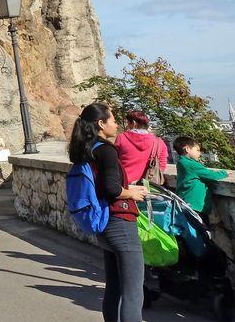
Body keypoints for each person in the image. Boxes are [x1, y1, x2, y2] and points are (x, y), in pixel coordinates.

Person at [69, 103, 148, 322]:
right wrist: (131, 193)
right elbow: (111, 189)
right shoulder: (106, 150)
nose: (116, 124)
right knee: (133, 292)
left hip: (104, 223)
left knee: (115, 287)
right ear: (101, 124)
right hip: (120, 223)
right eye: (112, 120)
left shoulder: (88, 150)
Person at [173, 136, 228, 219]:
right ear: (187, 149)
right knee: (200, 228)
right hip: (194, 204)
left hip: (186, 201)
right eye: (197, 150)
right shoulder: (190, 164)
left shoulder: (182, 162)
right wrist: (224, 172)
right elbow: (212, 176)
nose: (199, 153)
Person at [115, 110, 169, 185]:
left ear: (133, 123)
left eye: (128, 122)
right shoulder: (158, 142)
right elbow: (161, 165)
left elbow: (114, 160)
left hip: (125, 185)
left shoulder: (121, 138)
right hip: (148, 186)